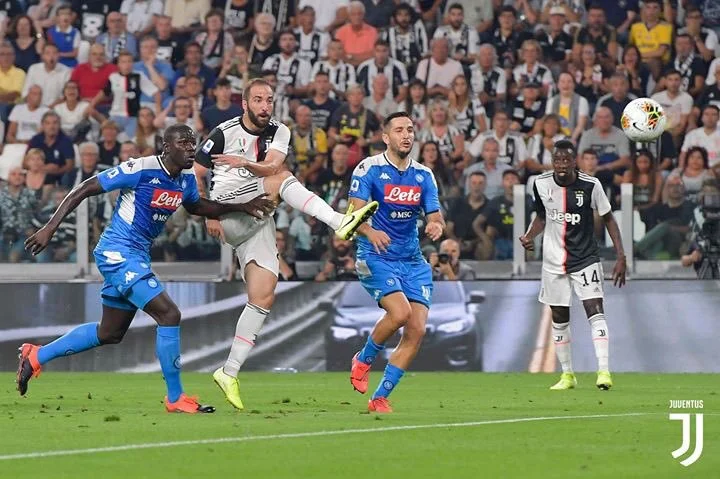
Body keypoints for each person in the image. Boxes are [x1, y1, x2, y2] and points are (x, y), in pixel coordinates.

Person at [17, 124, 276, 413]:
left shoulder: (186, 179)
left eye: (193, 143)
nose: (191, 148)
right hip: (118, 252)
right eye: (183, 143)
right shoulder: (141, 168)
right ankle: (175, 398)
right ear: (166, 147)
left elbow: (198, 207)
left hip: (136, 255)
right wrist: (49, 228)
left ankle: (36, 356)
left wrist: (242, 206)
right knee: (169, 314)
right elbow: (86, 187)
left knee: (110, 332)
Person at [193, 79, 378, 410]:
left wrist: (246, 164)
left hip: (259, 215)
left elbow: (271, 165)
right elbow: (195, 172)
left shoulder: (280, 131)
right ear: (245, 104)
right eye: (258, 100)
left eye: (269, 100)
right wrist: (208, 212)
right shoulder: (222, 133)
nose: (265, 106)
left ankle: (228, 372)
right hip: (228, 208)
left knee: (263, 295)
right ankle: (340, 221)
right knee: (283, 180)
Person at [348, 111, 444, 413]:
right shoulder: (368, 169)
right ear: (385, 137)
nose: (406, 135)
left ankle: (379, 398)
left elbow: (435, 215)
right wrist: (370, 231)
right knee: (400, 313)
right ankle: (364, 358)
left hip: (413, 260)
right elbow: (353, 215)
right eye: (399, 130)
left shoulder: (424, 175)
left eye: (410, 130)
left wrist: (436, 226)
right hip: (375, 255)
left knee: (417, 331)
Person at [520, 139, 626, 391]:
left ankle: (603, 371)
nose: (561, 164)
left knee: (595, 310)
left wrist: (621, 256)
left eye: (566, 160)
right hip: (553, 261)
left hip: (585, 258)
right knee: (559, 318)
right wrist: (529, 236)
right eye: (557, 160)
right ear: (552, 161)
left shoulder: (591, 185)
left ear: (574, 161)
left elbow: (609, 218)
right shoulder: (540, 183)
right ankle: (567, 375)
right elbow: (542, 216)